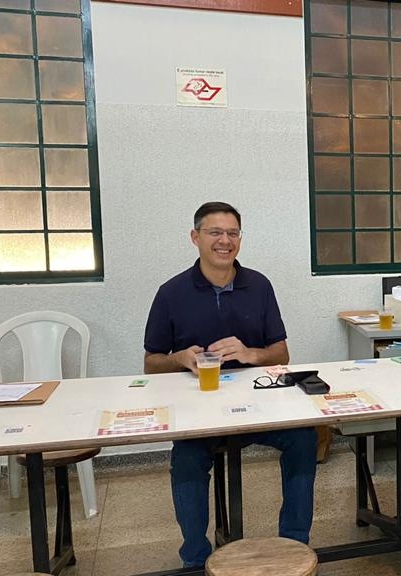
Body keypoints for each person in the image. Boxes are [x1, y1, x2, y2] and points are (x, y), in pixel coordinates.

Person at [143, 202, 317, 568]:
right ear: (195, 237)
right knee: (187, 459)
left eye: (232, 233)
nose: (225, 241)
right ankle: (195, 559)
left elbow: (281, 352)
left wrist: (251, 353)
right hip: (200, 409)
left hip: (259, 405)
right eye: (215, 233)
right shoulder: (171, 292)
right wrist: (180, 359)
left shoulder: (259, 285)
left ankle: (295, 546)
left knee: (303, 438)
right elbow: (151, 363)